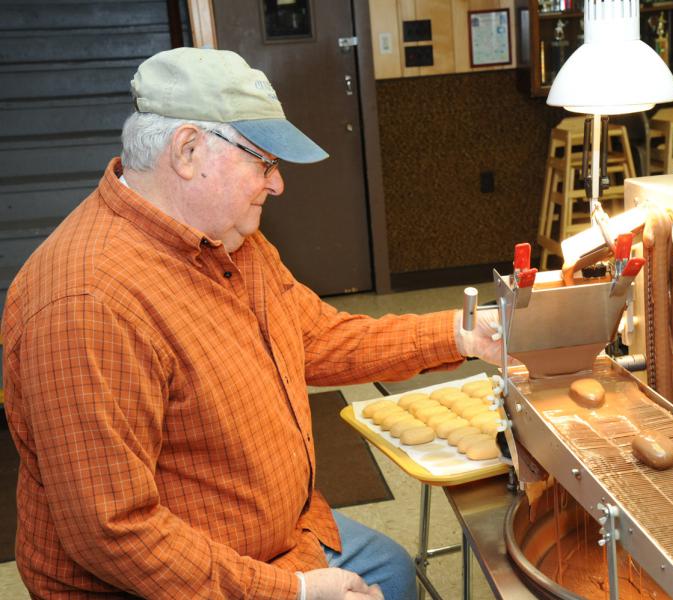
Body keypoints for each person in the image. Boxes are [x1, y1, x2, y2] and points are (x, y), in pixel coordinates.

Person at [1, 48, 503, 600]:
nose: (277, 184)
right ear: (188, 150)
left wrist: (462, 333)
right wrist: (295, 593)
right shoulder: (87, 303)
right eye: (263, 162)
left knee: (389, 569)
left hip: (276, 536)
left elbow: (316, 337)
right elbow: (114, 533)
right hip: (165, 581)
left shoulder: (230, 240)